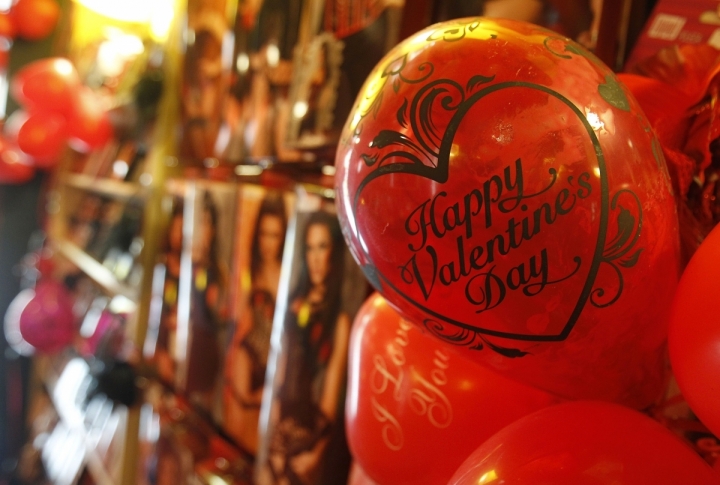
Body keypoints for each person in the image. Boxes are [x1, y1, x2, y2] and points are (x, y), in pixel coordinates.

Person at [262, 210, 351, 485]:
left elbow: (330, 399)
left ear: (333, 253)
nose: (314, 258)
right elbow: (280, 371)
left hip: (310, 433)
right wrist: (273, 432)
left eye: (322, 247)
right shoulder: (293, 305)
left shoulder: (339, 320)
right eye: (309, 248)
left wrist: (316, 453)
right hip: (281, 421)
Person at [225, 193, 288, 453]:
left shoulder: (289, 275)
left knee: (262, 440)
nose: (268, 243)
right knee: (238, 431)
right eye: (264, 234)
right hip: (249, 355)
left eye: (275, 234)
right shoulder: (250, 271)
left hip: (277, 364)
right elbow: (238, 319)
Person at [185, 191, 226, 410]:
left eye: (208, 223)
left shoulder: (217, 271)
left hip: (204, 345)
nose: (204, 229)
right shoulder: (187, 264)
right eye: (200, 222)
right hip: (188, 342)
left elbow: (219, 312)